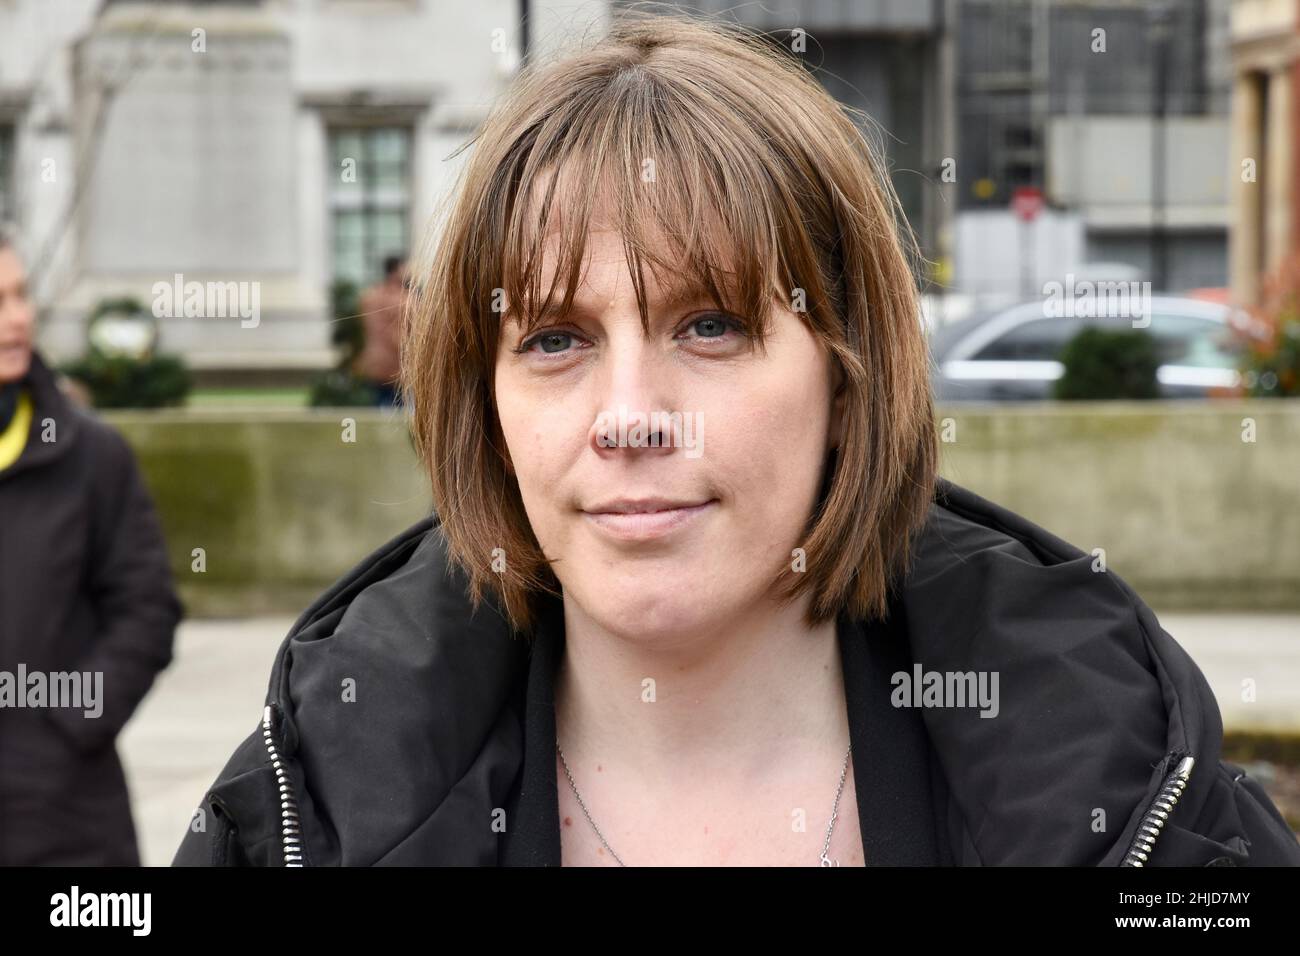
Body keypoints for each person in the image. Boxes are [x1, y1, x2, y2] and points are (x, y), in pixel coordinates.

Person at [173, 12, 1300, 867]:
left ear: (847, 370)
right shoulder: (310, 800)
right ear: (483, 397)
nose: (629, 414)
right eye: (557, 338)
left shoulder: (1134, 790)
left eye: (709, 323)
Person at [0, 232, 182, 865]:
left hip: (67, 824)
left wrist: (66, 726)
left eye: (20, 296)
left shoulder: (91, 455)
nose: (19, 318)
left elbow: (148, 610)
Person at [352, 254, 408, 406]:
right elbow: (403, 334)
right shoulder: (402, 299)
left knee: (380, 407)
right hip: (396, 363)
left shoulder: (370, 296)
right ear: (397, 270)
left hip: (374, 362)